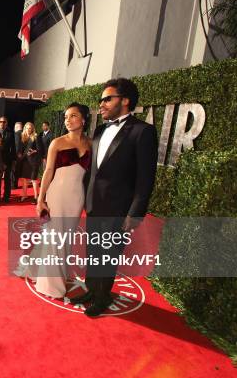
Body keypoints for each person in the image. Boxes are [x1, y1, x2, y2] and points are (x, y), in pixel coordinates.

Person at [71, 78, 158, 317]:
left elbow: (145, 177)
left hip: (118, 209)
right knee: (93, 252)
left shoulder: (143, 132)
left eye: (107, 99)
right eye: (101, 100)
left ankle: (102, 297)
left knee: (108, 256)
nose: (101, 104)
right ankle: (91, 290)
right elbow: (94, 170)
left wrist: (135, 213)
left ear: (125, 100)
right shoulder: (100, 129)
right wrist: (85, 197)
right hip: (94, 205)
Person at [23, 103, 92, 298]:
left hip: (77, 196)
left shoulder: (90, 144)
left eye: (73, 116)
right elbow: (48, 171)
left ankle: (37, 269)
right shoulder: (57, 142)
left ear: (84, 119)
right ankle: (51, 285)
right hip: (58, 193)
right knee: (56, 238)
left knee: (65, 238)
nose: (68, 120)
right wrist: (40, 199)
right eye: (66, 117)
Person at [18, 122, 40, 203]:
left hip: (33, 161)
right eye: (27, 128)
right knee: (24, 179)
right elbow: (21, 149)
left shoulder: (35, 137)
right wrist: (20, 153)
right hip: (25, 161)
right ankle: (24, 195)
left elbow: (39, 149)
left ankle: (36, 197)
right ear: (25, 129)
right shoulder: (23, 137)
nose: (28, 130)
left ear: (32, 129)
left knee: (34, 180)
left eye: (30, 128)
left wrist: (33, 151)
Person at [0, 116, 15, 203]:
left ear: (6, 123)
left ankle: (6, 196)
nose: (2, 123)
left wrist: (12, 160)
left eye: (4, 122)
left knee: (7, 179)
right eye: (0, 121)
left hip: (7, 159)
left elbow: (13, 148)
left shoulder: (10, 133)